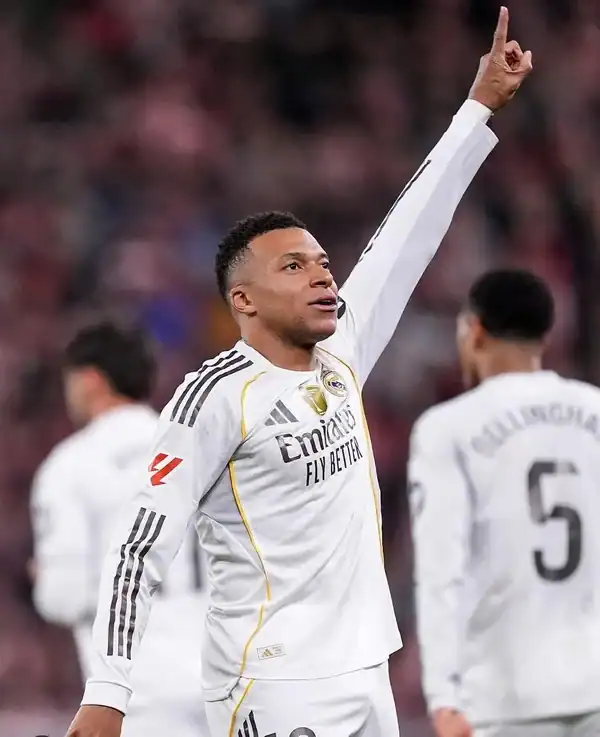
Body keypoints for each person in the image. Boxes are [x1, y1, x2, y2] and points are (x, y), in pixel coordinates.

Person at [65, 8, 532, 737]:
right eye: (293, 266)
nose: (322, 275)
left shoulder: (341, 353)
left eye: (322, 262)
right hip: (273, 682)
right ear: (243, 301)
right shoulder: (215, 396)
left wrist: (477, 108)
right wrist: (108, 688)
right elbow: (140, 543)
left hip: (369, 670)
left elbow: (407, 235)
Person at [409, 269, 600, 737]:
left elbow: (441, 569)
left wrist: (442, 695)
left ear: (474, 331)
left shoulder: (447, 427)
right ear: (545, 334)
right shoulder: (594, 409)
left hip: (506, 695)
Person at [30, 322, 208, 737]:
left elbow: (63, 595)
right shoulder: (194, 447)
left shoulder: (70, 466)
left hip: (136, 690)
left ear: (90, 380)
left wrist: (45, 576)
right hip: (221, 671)